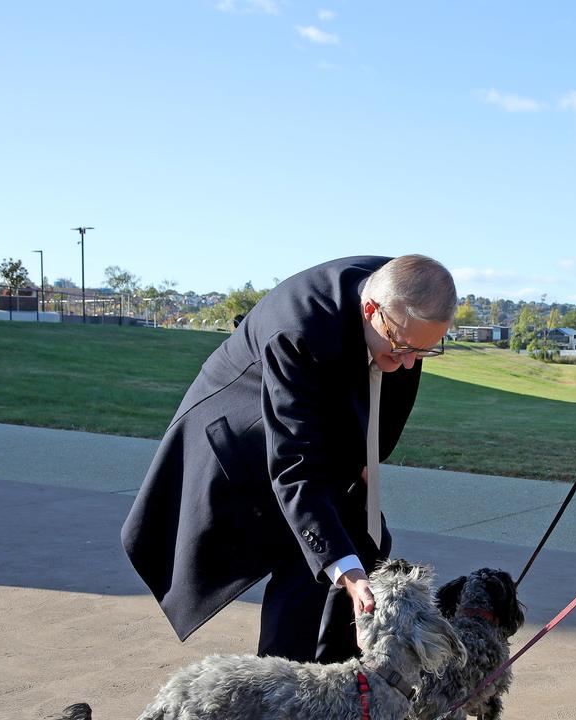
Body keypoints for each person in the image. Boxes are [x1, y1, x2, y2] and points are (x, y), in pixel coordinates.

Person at [122, 254, 455, 663]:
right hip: (241, 442)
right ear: (371, 311)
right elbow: (295, 464)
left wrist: (368, 458)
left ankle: (340, 686)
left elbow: (387, 393)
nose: (408, 363)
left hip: (317, 433)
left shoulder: (407, 301)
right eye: (402, 347)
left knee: (368, 543)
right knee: (308, 564)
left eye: (423, 351)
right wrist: (344, 571)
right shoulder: (298, 328)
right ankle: (279, 694)